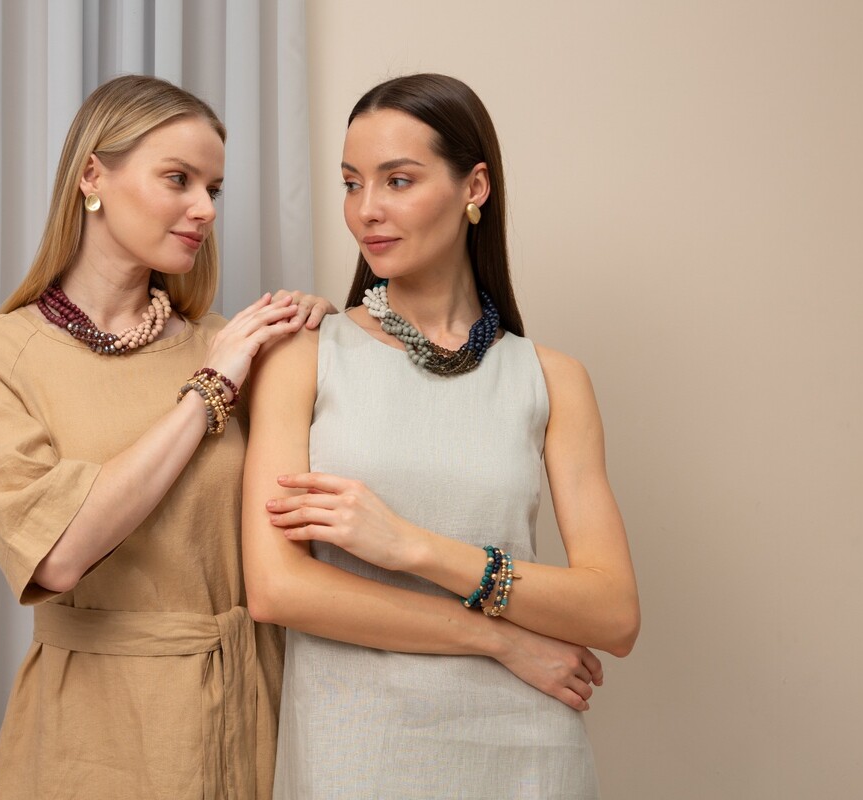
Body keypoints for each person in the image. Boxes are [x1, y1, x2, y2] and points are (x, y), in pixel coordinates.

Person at [242, 73, 640, 798]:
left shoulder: (553, 379)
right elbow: (277, 589)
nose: (367, 209)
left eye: (398, 180)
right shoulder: (303, 356)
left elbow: (613, 613)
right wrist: (499, 638)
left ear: (473, 187)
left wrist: (412, 547)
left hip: (527, 751)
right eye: (351, 183)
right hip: (354, 754)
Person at [0, 74, 333, 799]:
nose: (204, 208)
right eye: (178, 179)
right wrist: (210, 391)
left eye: (214, 189)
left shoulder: (236, 345)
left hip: (251, 713)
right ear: (93, 175)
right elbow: (59, 553)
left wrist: (323, 340)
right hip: (94, 734)